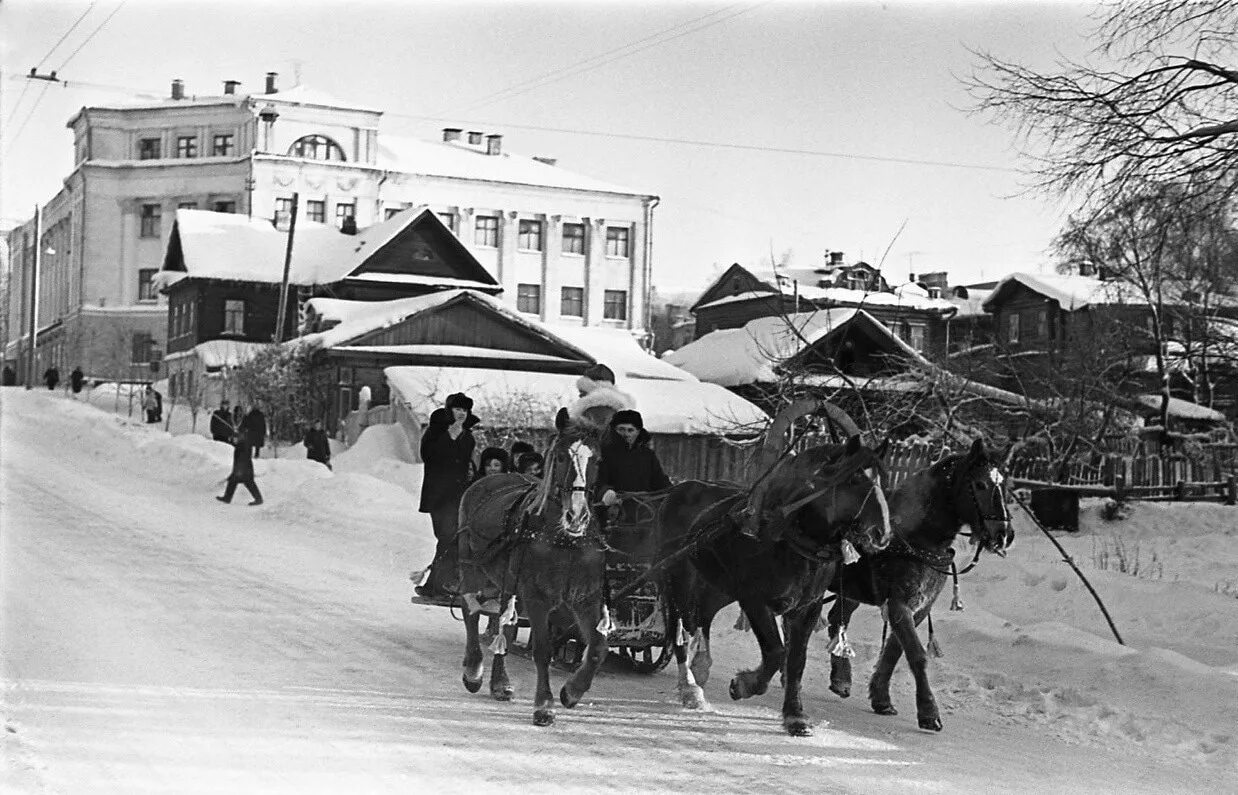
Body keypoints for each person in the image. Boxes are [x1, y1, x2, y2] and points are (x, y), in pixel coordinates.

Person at [415, 392, 478, 598]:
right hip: (439, 496)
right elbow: (428, 456)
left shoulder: (467, 435)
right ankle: (437, 584)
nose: (461, 413)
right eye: (458, 409)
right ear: (449, 410)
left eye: (465, 410)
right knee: (447, 537)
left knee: (450, 539)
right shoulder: (436, 430)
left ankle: (436, 584)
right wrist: (449, 437)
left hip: (459, 496)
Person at [596, 409, 672, 523]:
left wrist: (673, 492)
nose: (626, 434)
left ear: (638, 432)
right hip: (612, 513)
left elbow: (660, 481)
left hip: (644, 513)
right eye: (621, 429)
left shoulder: (647, 455)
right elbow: (597, 481)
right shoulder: (603, 453)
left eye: (630, 430)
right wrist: (605, 492)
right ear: (613, 430)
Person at [568, 363, 634, 429]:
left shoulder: (598, 410)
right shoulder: (607, 408)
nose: (580, 395)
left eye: (583, 391)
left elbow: (595, 437)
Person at [216, 428, 263, 505]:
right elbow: (234, 443)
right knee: (234, 482)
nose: (235, 440)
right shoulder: (242, 443)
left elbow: (243, 459)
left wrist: (238, 470)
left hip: (244, 468)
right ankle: (227, 498)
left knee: (248, 483)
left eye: (236, 438)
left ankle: (258, 499)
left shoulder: (244, 445)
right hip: (242, 468)